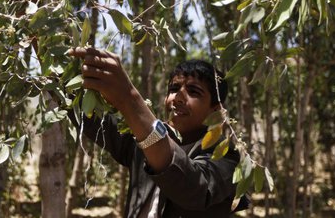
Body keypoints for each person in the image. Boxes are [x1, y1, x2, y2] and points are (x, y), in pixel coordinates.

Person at [68, 47, 244, 218]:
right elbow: (93, 119)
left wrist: (129, 98)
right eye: (174, 89)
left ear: (215, 109)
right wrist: (59, 73)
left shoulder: (225, 155)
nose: (178, 97)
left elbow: (195, 190)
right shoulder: (139, 138)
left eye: (193, 91)